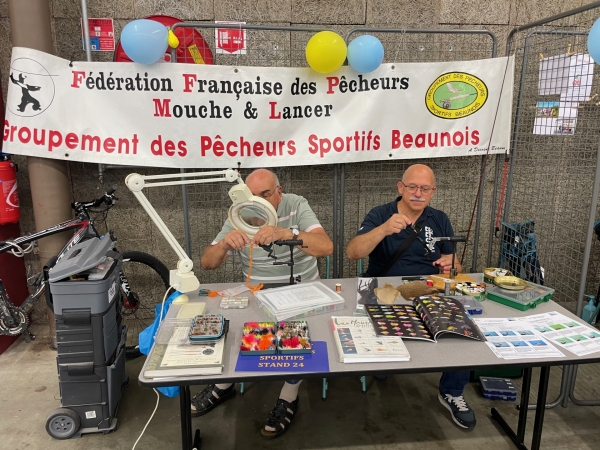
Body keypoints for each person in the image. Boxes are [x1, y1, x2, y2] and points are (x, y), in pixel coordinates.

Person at [197, 168, 334, 438]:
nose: (257, 201)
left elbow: (325, 247)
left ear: (279, 192)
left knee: (295, 335)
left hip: (301, 289)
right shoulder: (240, 212)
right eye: (252, 195)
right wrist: (225, 244)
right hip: (256, 291)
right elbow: (207, 263)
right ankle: (224, 385)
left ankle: (289, 394)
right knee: (233, 328)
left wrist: (285, 233)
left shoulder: (296, 204)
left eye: (266, 194)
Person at [346, 164, 476, 430]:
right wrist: (382, 229)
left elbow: (457, 265)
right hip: (383, 288)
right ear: (400, 188)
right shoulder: (380, 214)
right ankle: (382, 361)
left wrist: (452, 265)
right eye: (412, 187)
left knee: (463, 328)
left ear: (433, 191)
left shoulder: (440, 218)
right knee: (373, 327)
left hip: (428, 288)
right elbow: (353, 253)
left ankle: (452, 391)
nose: (418, 193)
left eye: (425, 188)